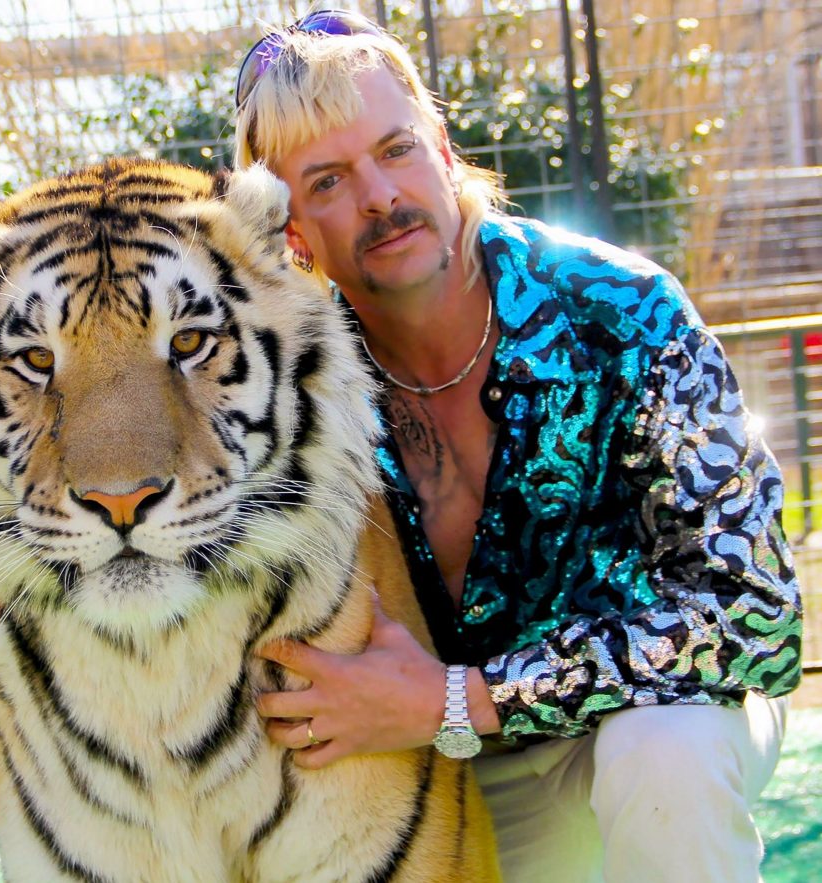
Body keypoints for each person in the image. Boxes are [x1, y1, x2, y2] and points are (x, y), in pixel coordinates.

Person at [230, 10, 803, 883]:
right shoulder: (286, 388)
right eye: (329, 180)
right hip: (434, 767)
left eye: (396, 149)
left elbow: (755, 613)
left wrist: (462, 698)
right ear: (292, 232)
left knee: (664, 754)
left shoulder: (622, 311)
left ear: (443, 149)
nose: (380, 196)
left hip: (639, 723)